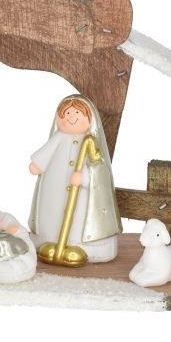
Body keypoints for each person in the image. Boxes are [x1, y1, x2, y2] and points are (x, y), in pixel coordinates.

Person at [28, 94, 122, 262]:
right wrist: (37, 164)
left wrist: (85, 176)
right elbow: (46, 153)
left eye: (77, 114)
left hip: (82, 194)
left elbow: (99, 166)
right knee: (52, 212)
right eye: (67, 114)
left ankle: (79, 245)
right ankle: (50, 241)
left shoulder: (90, 141)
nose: (71, 117)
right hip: (54, 188)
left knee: (79, 217)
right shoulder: (58, 138)